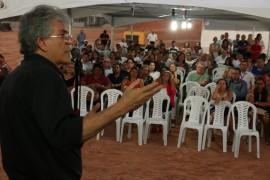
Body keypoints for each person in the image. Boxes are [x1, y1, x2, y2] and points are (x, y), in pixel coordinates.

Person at [0, 5, 162, 179]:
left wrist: (86, 124)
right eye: (63, 35)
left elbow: (44, 130)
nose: (70, 41)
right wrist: (124, 106)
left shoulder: (16, 75)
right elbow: (64, 135)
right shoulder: (43, 75)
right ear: (42, 42)